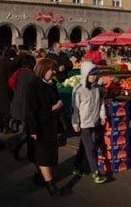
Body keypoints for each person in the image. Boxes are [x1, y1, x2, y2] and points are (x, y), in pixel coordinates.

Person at [26, 59, 63, 196]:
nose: (53, 73)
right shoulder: (33, 85)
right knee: (43, 155)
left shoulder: (52, 84)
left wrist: (58, 103)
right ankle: (50, 184)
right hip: (38, 124)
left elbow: (57, 98)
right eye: (51, 70)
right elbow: (30, 110)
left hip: (50, 124)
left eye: (53, 70)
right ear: (43, 70)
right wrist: (33, 130)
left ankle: (39, 175)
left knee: (42, 154)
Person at [71, 61, 109, 183]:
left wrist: (102, 115)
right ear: (85, 75)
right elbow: (74, 108)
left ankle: (76, 167)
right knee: (90, 148)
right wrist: (75, 123)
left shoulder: (97, 88)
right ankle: (95, 173)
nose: (94, 77)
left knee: (84, 146)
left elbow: (101, 103)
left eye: (96, 74)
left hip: (94, 121)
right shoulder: (78, 90)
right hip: (84, 124)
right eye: (92, 75)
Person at [8, 54, 37, 158]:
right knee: (29, 129)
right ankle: (17, 147)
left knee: (27, 128)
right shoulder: (31, 75)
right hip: (26, 106)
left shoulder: (18, 72)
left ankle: (22, 148)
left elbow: (11, 83)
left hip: (17, 103)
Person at [0, 48, 17, 133]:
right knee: (6, 108)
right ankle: (6, 127)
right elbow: (12, 77)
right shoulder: (10, 63)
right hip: (6, 88)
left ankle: (0, 125)